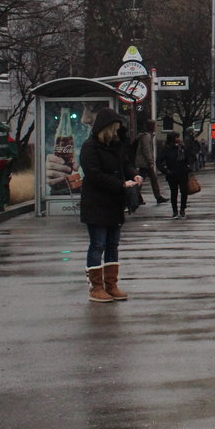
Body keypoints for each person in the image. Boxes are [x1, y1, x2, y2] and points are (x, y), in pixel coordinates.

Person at [78, 107, 141, 303]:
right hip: (96, 204)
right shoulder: (90, 148)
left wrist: (134, 175)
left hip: (114, 203)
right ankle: (96, 287)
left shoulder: (117, 146)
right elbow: (95, 175)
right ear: (105, 129)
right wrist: (121, 184)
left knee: (113, 245)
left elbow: (126, 165)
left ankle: (111, 285)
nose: (116, 133)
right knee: (98, 245)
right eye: (113, 129)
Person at [157, 131, 192, 218]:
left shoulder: (182, 147)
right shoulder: (166, 149)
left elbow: (189, 157)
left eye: (178, 137)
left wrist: (189, 167)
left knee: (184, 191)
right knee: (174, 192)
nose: (178, 139)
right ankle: (175, 211)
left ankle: (182, 209)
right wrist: (165, 170)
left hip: (183, 172)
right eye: (176, 137)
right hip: (172, 174)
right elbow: (159, 161)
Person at [135, 119, 167, 205]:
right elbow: (146, 149)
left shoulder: (147, 135)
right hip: (145, 162)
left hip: (145, 162)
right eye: (155, 125)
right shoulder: (147, 136)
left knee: (151, 179)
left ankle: (156, 197)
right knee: (143, 180)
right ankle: (135, 197)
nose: (156, 127)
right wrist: (150, 161)